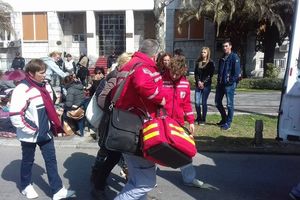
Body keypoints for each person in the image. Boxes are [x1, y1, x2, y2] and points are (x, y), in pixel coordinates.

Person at [9, 59, 75, 200]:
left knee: (51, 161)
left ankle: (57, 189)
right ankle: (26, 186)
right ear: (31, 73)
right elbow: (15, 115)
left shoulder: (46, 86)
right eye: (41, 73)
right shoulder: (22, 89)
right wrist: (32, 129)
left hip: (46, 132)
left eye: (45, 72)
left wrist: (55, 112)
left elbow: (48, 105)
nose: (45, 75)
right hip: (31, 134)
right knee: (28, 160)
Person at [113, 39, 166, 200]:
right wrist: (160, 99)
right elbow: (142, 84)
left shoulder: (131, 65)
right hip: (139, 130)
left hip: (126, 127)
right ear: (155, 56)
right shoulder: (143, 67)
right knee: (146, 183)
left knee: (137, 180)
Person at [90, 52, 133, 200]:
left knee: (113, 155)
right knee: (111, 155)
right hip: (113, 123)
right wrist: (113, 112)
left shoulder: (123, 75)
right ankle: (98, 183)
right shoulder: (116, 76)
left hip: (119, 123)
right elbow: (101, 97)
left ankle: (98, 181)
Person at [162, 55, 204, 188]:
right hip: (162, 122)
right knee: (157, 149)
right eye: (172, 72)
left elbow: (186, 105)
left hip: (178, 123)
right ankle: (147, 179)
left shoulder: (185, 83)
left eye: (177, 74)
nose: (174, 76)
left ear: (182, 72)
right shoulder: (161, 80)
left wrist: (191, 121)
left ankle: (189, 179)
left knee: (184, 151)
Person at [215, 39, 241, 130]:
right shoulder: (222, 58)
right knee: (217, 103)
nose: (224, 48)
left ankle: (228, 123)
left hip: (229, 85)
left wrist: (230, 81)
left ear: (230, 46)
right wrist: (219, 81)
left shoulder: (234, 57)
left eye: (226, 46)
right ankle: (224, 119)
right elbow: (220, 71)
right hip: (221, 84)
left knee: (229, 104)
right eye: (223, 46)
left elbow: (237, 73)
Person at [194, 47, 215, 125]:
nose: (203, 54)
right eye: (202, 52)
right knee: (197, 102)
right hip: (198, 85)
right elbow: (196, 74)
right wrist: (198, 81)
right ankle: (198, 117)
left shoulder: (210, 63)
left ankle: (203, 119)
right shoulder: (198, 62)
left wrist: (203, 83)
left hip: (206, 86)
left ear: (207, 53)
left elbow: (210, 75)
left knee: (203, 102)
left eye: (204, 52)